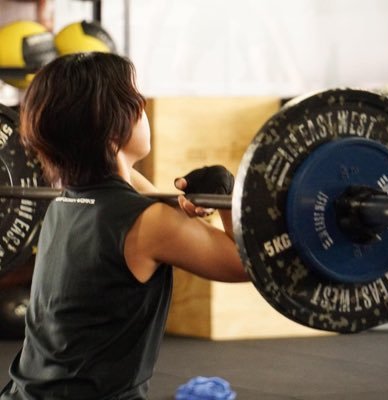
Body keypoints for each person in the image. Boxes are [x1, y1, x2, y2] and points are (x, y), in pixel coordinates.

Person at [0, 52, 249, 400]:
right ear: (115, 126)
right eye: (137, 102)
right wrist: (232, 195)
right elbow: (249, 263)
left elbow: (129, 188)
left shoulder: (62, 204)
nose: (142, 107)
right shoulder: (149, 225)